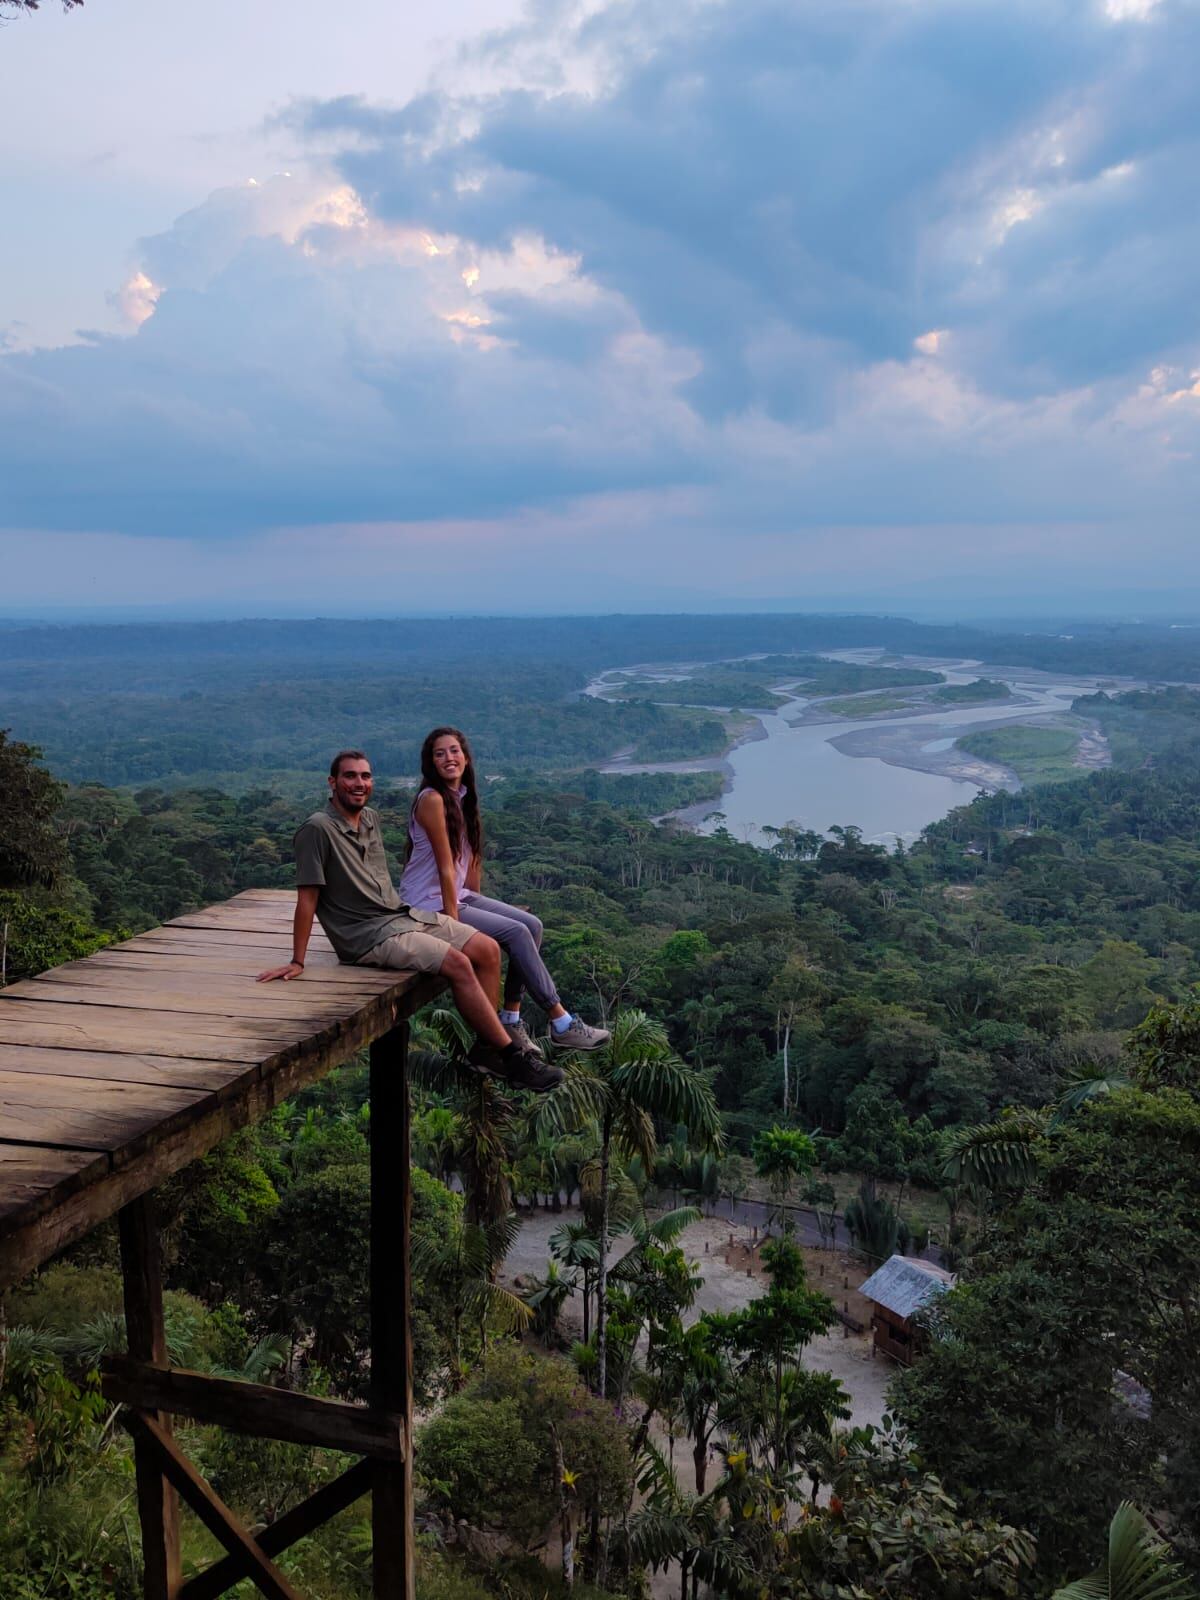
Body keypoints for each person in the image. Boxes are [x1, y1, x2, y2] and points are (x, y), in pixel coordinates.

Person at [257, 748, 563, 1093]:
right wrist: (298, 960)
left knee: (487, 948)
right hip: (367, 935)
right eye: (350, 776)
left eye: (365, 776)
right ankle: (512, 1057)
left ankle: (485, 1046)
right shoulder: (316, 830)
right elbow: (307, 899)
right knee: (459, 964)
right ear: (332, 782)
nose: (359, 783)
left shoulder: (368, 818)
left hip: (400, 914)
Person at [399, 726, 610, 1053]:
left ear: (466, 758)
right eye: (439, 753)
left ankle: (511, 1018)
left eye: (454, 751)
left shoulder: (462, 799)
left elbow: (469, 860)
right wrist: (455, 927)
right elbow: (444, 866)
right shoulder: (432, 800)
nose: (448, 758)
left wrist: (477, 900)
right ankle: (561, 1021)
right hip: (427, 904)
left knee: (533, 925)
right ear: (431, 764)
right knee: (515, 932)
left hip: (457, 895)